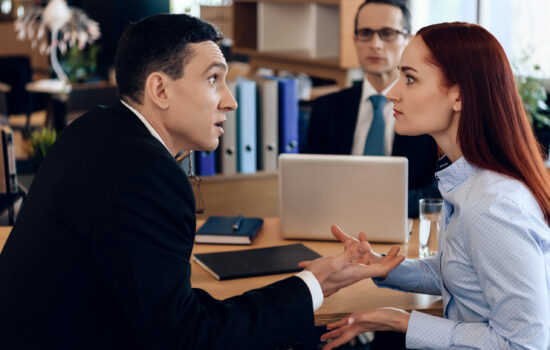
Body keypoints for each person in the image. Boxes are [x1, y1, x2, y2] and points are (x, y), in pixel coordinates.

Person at [0, 14, 406, 350]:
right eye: (214, 79)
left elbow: (167, 311)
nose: (229, 99)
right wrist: (313, 285)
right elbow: (189, 338)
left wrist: (312, 284)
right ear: (159, 88)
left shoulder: (95, 129)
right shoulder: (148, 175)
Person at [320, 22, 550, 350]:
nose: (392, 92)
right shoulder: (468, 182)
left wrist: (398, 320)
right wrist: (381, 266)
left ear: (459, 96)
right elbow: (462, 271)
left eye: (410, 78)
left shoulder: (493, 206)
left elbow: (524, 345)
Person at [304, 0, 440, 218]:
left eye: (387, 33)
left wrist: (374, 206)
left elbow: (438, 192)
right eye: (366, 33)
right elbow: (309, 183)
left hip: (404, 226)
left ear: (409, 40)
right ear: (354, 40)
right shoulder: (325, 108)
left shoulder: (430, 112)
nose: (375, 44)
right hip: (337, 224)